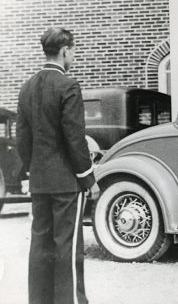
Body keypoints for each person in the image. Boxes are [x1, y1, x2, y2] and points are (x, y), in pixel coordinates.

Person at [16, 27, 100, 304]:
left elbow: (23, 140)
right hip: (66, 183)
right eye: (73, 51)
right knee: (67, 249)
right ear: (64, 50)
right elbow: (75, 139)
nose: (73, 56)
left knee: (40, 247)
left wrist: (32, 172)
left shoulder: (27, 87)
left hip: (39, 183)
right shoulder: (68, 86)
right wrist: (89, 180)